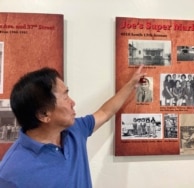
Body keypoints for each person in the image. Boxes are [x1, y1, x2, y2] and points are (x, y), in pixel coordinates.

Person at [0, 65, 144, 188]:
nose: (73, 102)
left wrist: (131, 84)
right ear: (44, 114)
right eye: (65, 97)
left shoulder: (75, 130)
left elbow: (105, 112)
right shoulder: (11, 173)